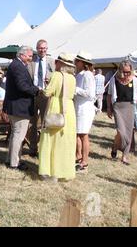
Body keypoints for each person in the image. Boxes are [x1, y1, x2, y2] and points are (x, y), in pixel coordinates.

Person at [38, 53, 77, 181]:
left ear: (61, 64)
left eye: (57, 62)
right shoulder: (72, 78)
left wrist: (44, 87)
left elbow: (47, 92)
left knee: (50, 139)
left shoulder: (56, 75)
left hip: (56, 107)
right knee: (65, 141)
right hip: (69, 109)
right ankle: (64, 171)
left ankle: (49, 171)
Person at [3, 46, 40, 171]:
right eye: (29, 56)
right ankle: (14, 163)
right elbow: (22, 86)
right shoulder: (18, 66)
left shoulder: (16, 65)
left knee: (15, 135)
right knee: (18, 136)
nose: (31, 58)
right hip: (20, 107)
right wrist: (36, 90)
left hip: (16, 106)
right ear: (22, 55)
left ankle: (10, 160)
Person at [107, 60, 137, 165]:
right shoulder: (114, 80)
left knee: (129, 132)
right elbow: (109, 95)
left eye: (128, 71)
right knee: (121, 132)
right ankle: (115, 146)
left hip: (130, 107)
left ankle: (125, 156)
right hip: (118, 107)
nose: (126, 73)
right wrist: (109, 108)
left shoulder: (135, 80)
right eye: (124, 71)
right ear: (120, 70)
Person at [28, 39, 55, 158]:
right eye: (40, 48)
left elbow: (56, 78)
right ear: (37, 48)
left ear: (47, 49)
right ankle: (32, 148)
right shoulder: (31, 61)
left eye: (44, 48)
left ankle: (44, 149)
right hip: (32, 95)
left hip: (45, 95)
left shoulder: (52, 62)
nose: (42, 50)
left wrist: (51, 81)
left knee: (45, 123)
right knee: (32, 123)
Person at [74, 51, 96, 173]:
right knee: (77, 134)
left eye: (77, 61)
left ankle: (85, 162)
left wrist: (75, 89)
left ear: (83, 62)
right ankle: (79, 157)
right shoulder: (80, 74)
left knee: (83, 135)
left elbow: (90, 94)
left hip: (85, 108)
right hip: (78, 106)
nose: (75, 63)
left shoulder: (88, 75)